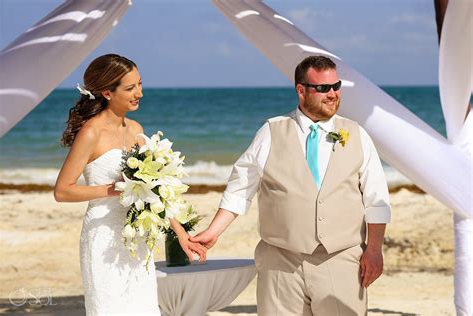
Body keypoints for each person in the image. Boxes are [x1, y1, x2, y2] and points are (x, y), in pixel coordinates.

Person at [191, 55, 391, 315]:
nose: (332, 94)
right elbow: (241, 187)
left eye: (336, 86)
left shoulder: (357, 134)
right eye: (322, 88)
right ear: (301, 90)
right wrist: (213, 232)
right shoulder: (272, 131)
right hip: (280, 262)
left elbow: (376, 198)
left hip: (340, 260)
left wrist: (374, 249)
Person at [54, 54, 206, 315]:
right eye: (130, 88)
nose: (140, 93)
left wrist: (181, 234)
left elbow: (154, 190)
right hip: (102, 238)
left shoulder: (136, 129)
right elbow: (63, 190)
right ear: (107, 92)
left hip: (138, 239)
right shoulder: (91, 133)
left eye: (140, 84)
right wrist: (114, 189)